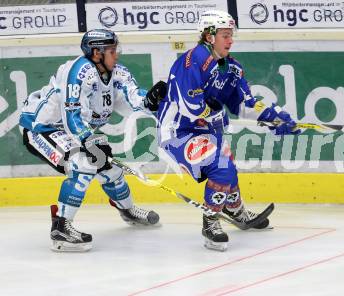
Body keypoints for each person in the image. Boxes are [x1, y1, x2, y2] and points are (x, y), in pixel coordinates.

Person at [157, 10, 301, 251]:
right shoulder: (192, 60)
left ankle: (235, 211)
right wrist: (207, 110)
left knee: (228, 170)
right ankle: (210, 221)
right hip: (178, 134)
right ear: (209, 36)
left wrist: (272, 116)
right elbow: (189, 105)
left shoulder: (232, 67)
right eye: (225, 35)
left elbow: (245, 104)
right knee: (221, 166)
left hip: (207, 134)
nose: (230, 40)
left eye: (231, 35)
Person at [19, 29, 167, 252]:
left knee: (112, 171)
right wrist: (90, 140)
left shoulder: (117, 72)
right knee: (84, 164)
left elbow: (132, 99)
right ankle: (61, 227)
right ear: (96, 52)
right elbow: (72, 115)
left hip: (74, 130)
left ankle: (127, 210)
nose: (117, 55)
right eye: (112, 50)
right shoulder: (77, 72)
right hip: (42, 128)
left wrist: (150, 100)